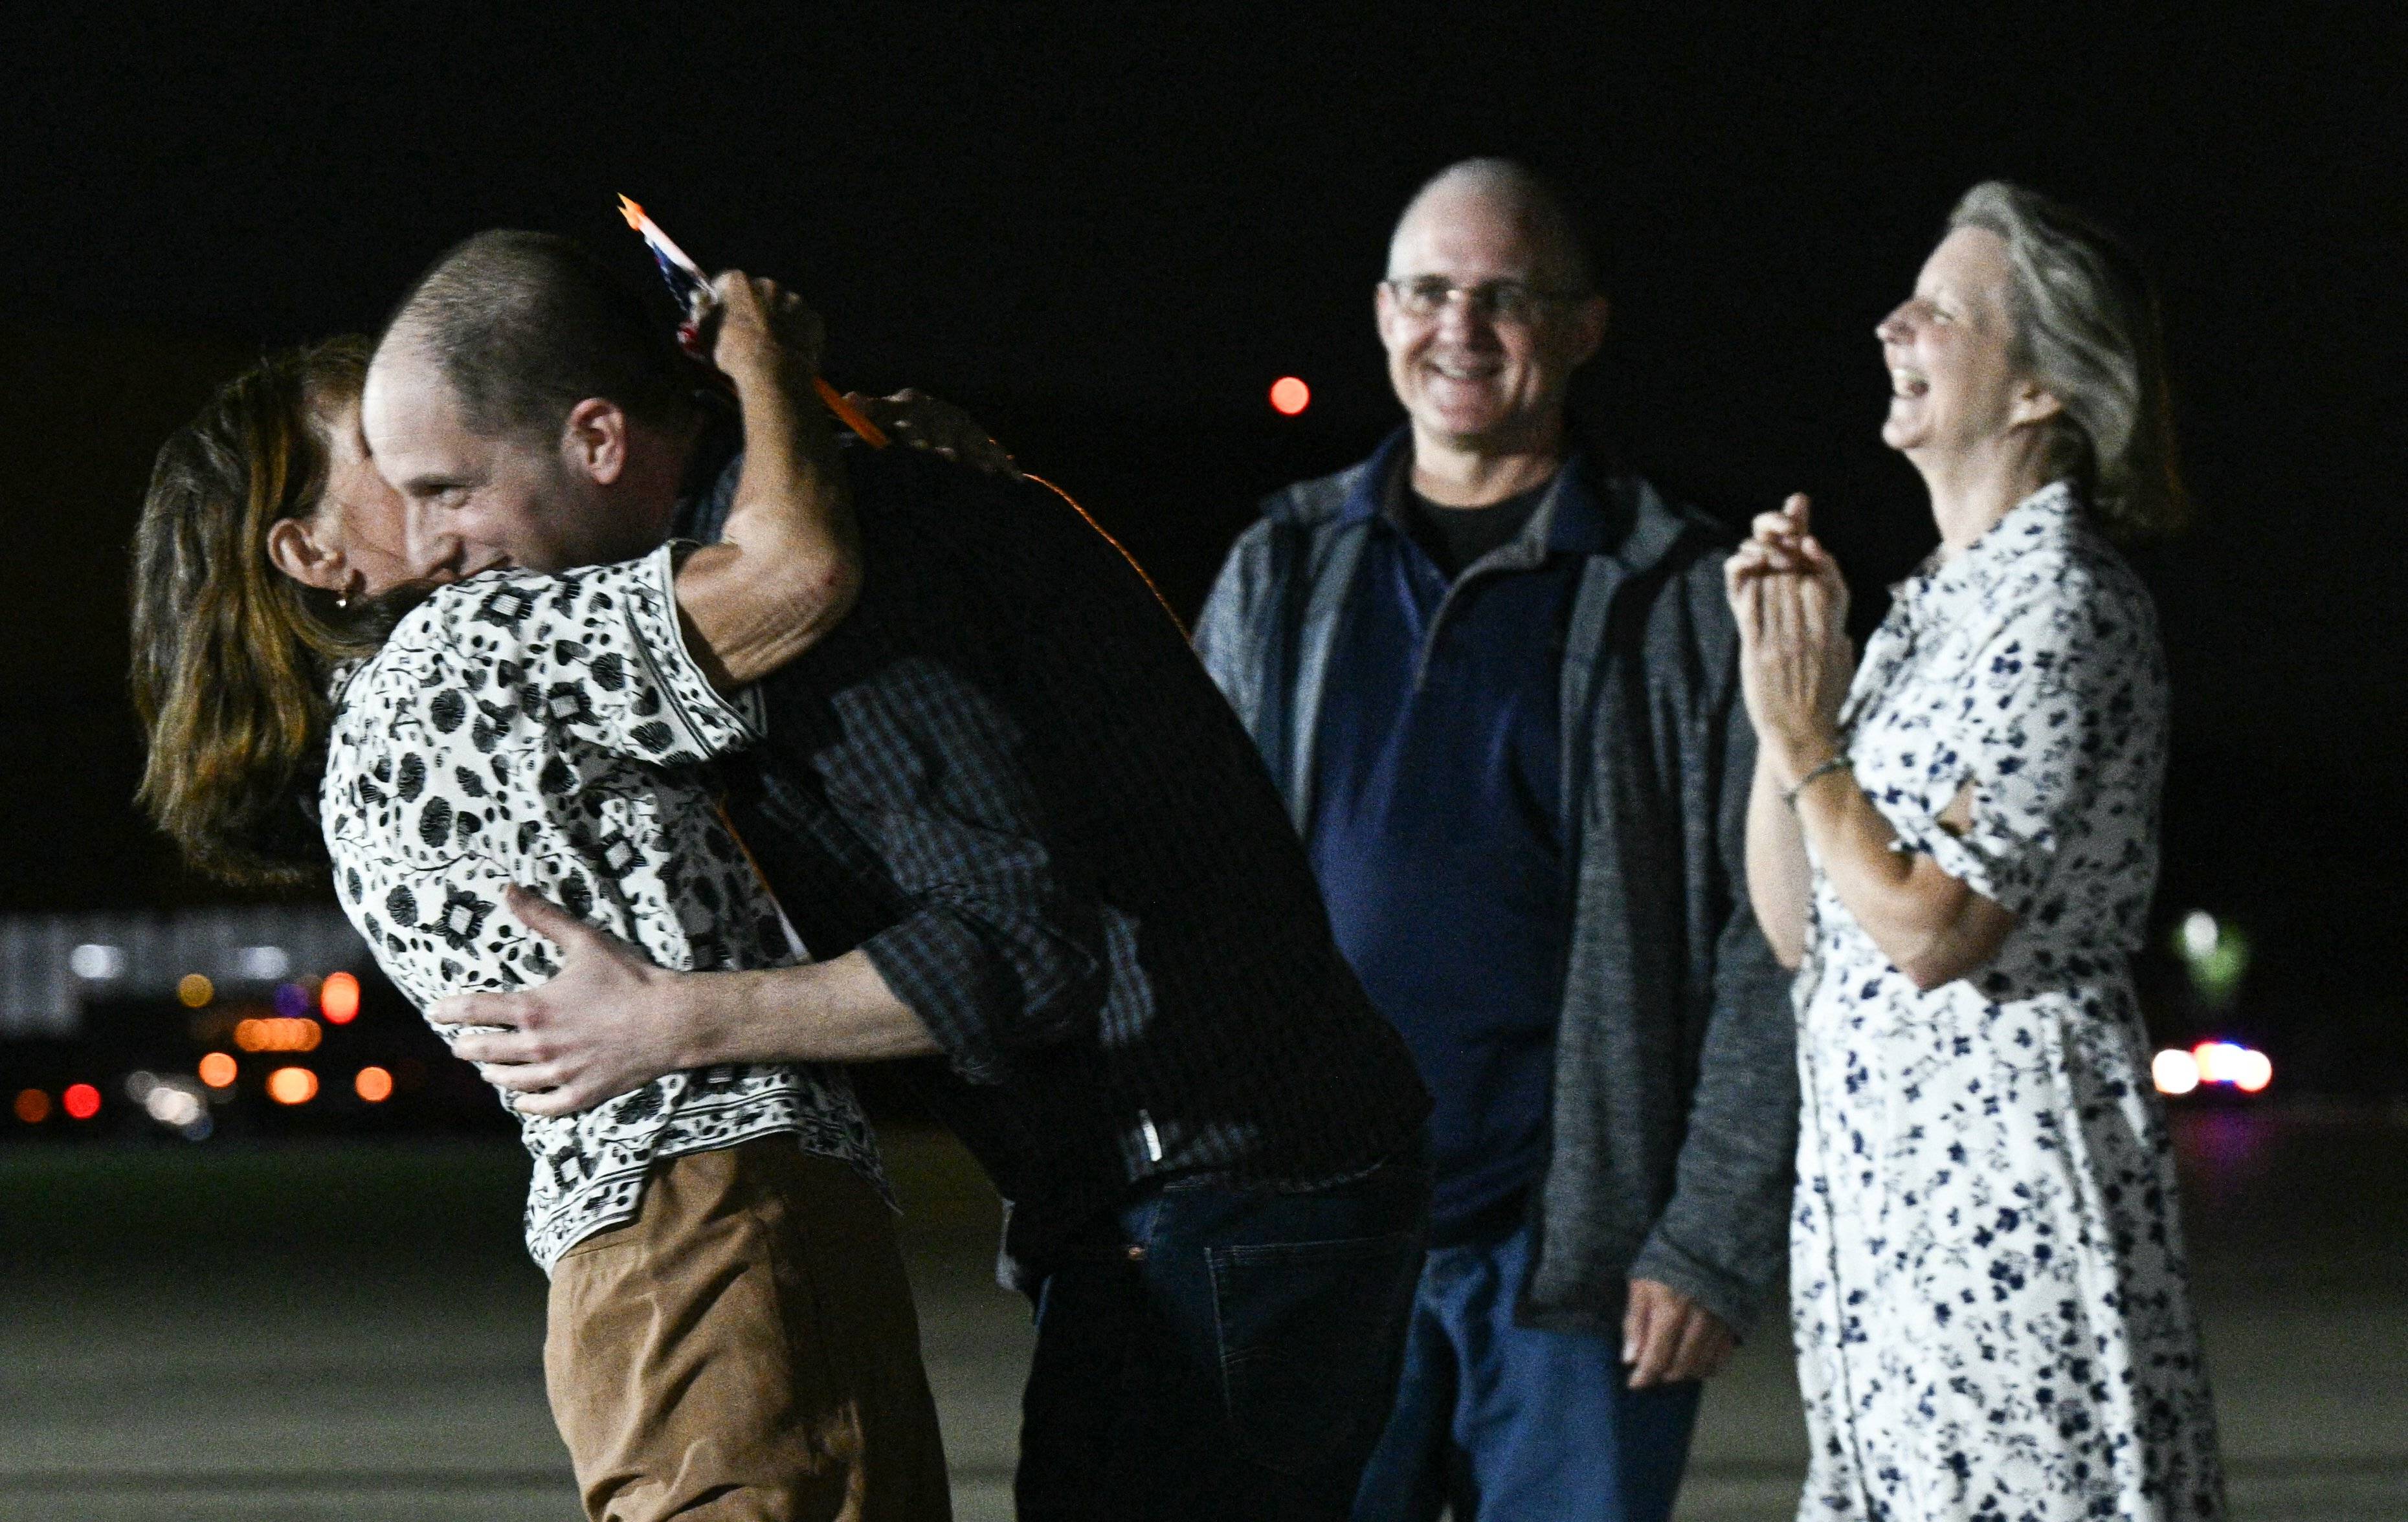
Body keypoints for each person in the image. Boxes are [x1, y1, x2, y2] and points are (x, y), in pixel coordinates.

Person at [375, 230, 1436, 1521]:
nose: (424, 547)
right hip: (1217, 1189)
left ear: (598, 440)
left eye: (447, 490)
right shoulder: (819, 516)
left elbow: (1026, 946)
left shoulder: (846, 585)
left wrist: (672, 1019)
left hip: (1221, 1189)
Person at [129, 279, 973, 1521]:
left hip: (649, 1257)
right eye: (381, 445)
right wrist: (770, 373)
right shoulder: (469, 648)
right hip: (719, 1223)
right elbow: (796, 573)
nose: (438, 444)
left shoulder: (382, 730)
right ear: (312, 556)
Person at [1194, 158, 1798, 1522]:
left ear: (1583, 328)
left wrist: (1709, 1238)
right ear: (1382, 312)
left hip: (1580, 1265)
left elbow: (1773, 942)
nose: (1458, 329)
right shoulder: (1281, 570)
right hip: (1321, 1239)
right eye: (1430, 291)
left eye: (1505, 296)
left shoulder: (1678, 593)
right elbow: (1187, 895)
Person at [1725, 181, 2226, 1521]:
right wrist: (1792, 706)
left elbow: (1931, 931)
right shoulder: (1938, 611)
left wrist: (1812, 741)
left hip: (2006, 1231)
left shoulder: (2060, 608)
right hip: (1886, 1241)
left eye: (1939, 310)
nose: (1892, 323)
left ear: (2042, 388)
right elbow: (1801, 926)